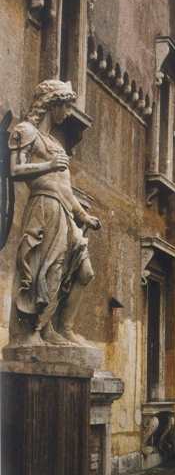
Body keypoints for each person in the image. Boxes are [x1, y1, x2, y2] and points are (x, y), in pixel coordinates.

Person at [8, 79, 101, 347]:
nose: (68, 112)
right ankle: (36, 331)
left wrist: (82, 215)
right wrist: (48, 164)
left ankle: (63, 328)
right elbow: (15, 170)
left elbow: (66, 187)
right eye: (66, 105)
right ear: (53, 104)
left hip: (65, 212)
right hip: (43, 208)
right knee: (47, 272)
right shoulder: (26, 131)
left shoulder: (55, 143)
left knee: (84, 272)